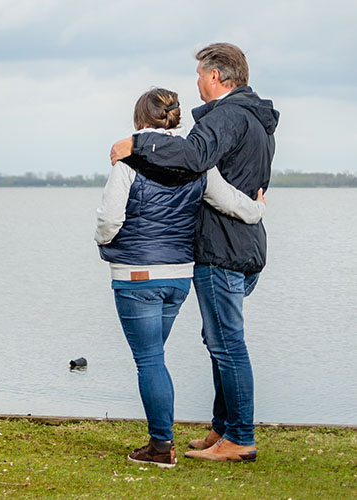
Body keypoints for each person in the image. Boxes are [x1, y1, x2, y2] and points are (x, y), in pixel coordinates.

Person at [109, 43, 279, 462]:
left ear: (217, 76)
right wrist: (256, 210)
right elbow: (229, 182)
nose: (197, 82)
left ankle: (239, 437)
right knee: (219, 338)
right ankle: (223, 429)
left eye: (201, 74)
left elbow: (194, 157)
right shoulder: (254, 119)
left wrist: (137, 144)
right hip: (246, 242)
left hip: (221, 247)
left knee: (227, 344)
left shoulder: (226, 115)